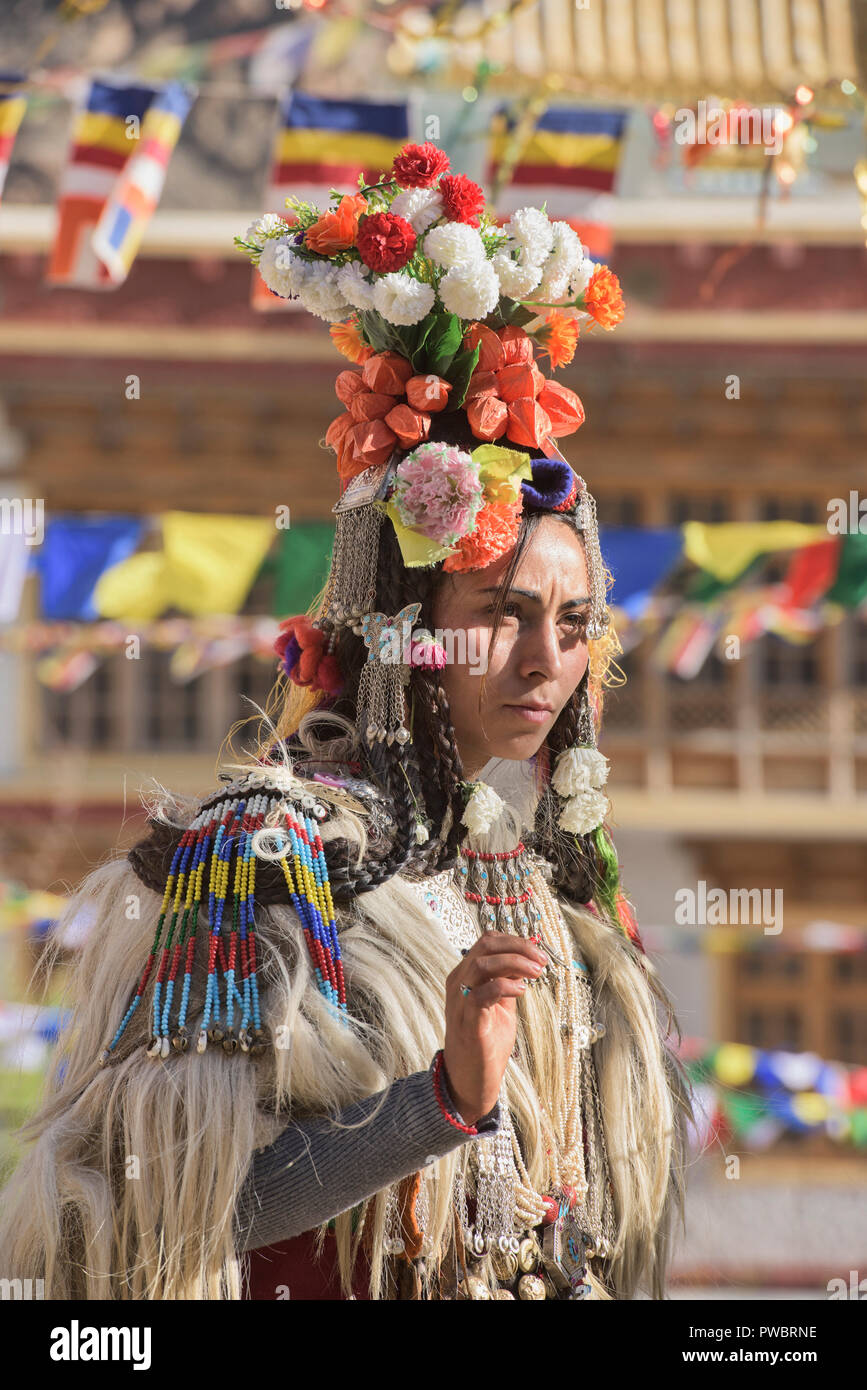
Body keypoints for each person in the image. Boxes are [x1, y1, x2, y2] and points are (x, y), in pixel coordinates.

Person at [0, 144, 693, 1301]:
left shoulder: (532, 887)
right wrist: (441, 1105)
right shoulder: (266, 859)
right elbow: (170, 1207)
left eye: (576, 622)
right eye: (504, 614)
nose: (547, 659)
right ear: (404, 622)